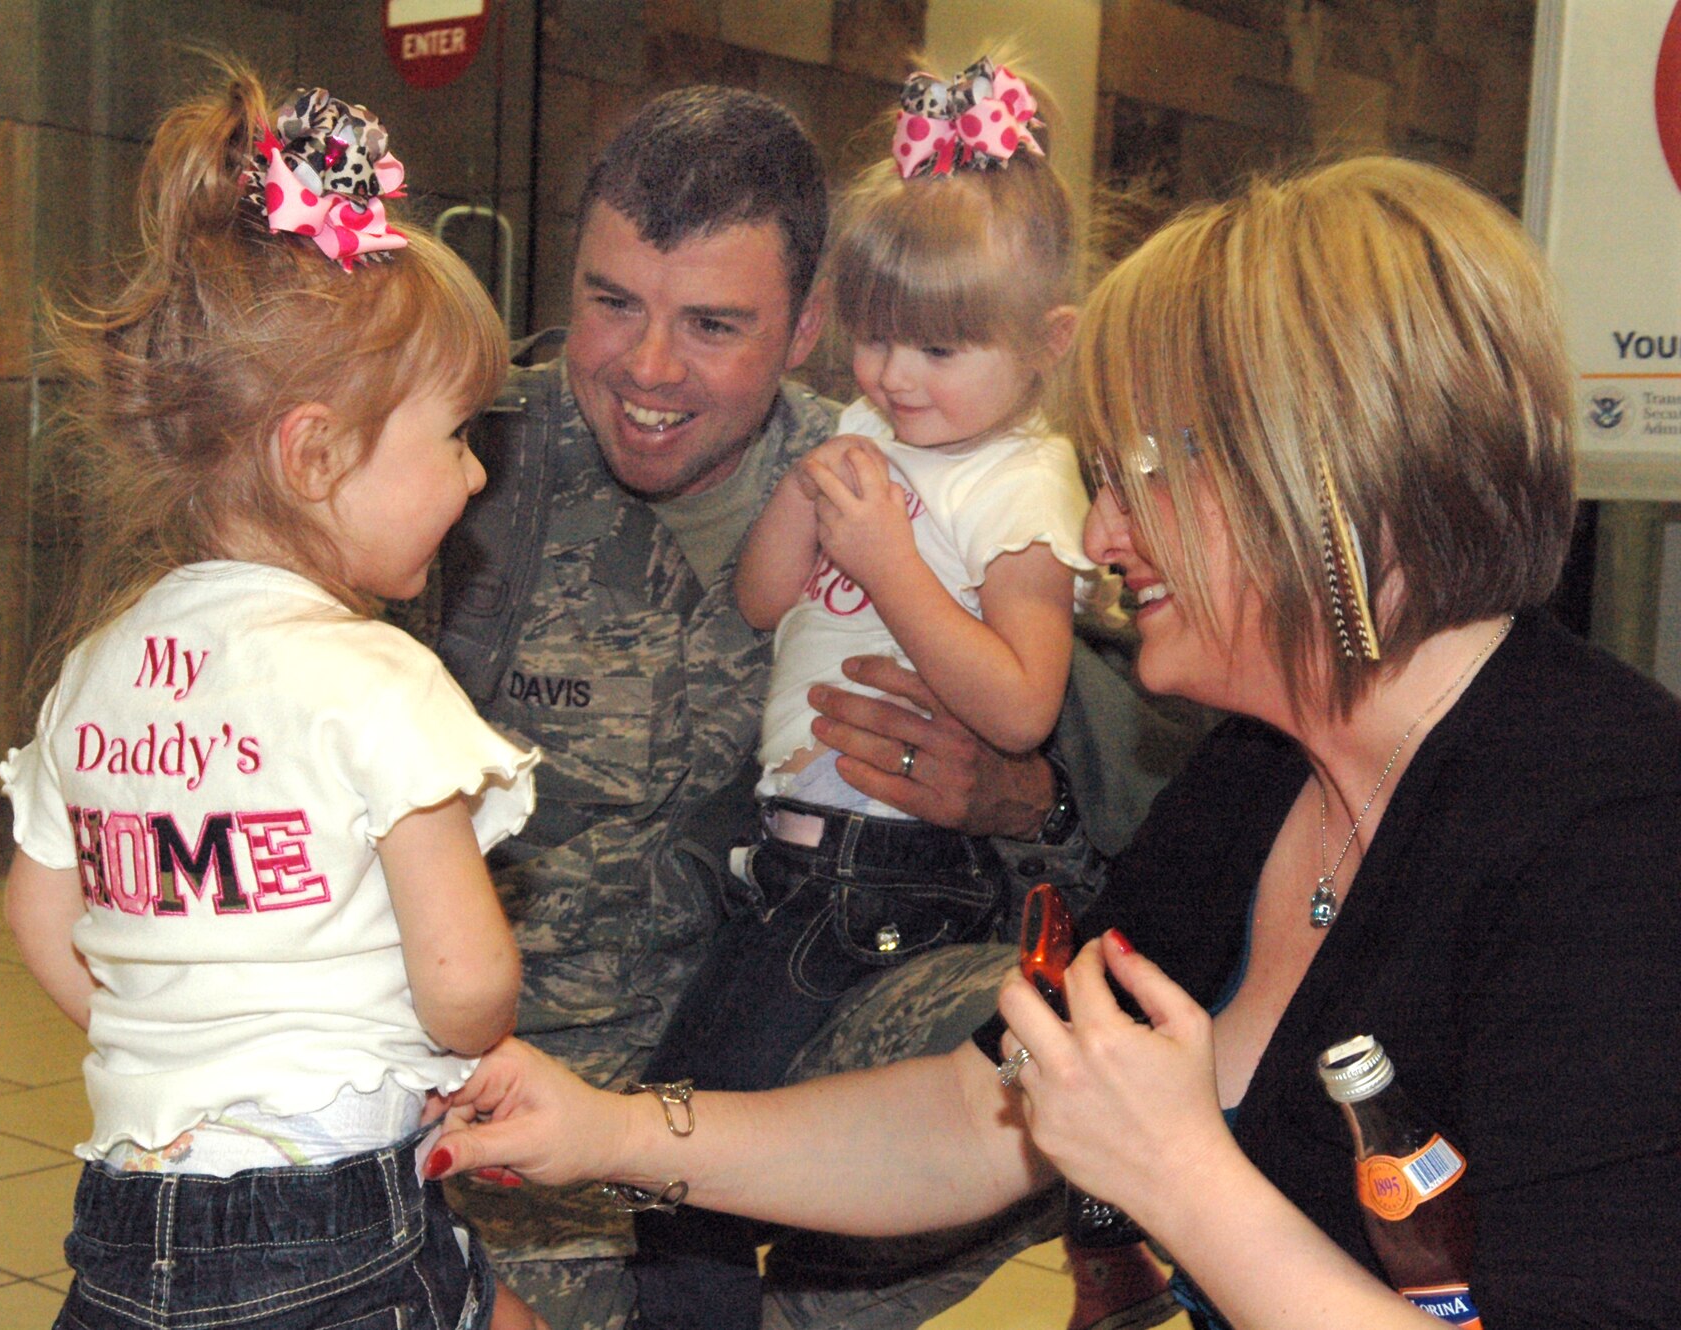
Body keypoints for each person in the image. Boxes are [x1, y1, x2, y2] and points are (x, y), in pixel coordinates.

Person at [426, 157, 1681, 1329]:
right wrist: (610, 1132)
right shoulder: (1255, 779)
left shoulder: (1611, 835)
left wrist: (1178, 1173)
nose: (1101, 528)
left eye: (1142, 478)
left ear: (1321, 483)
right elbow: (981, 1111)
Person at [427, 83, 1201, 1330]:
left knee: (1070, 1025)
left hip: (799, 1044)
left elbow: (1152, 794)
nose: (648, 367)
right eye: (609, 303)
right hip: (486, 1122)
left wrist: (1022, 797)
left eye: (713, 324)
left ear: (806, 327)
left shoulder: (954, 474)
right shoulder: (453, 472)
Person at [0, 60, 537, 1330]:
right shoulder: (380, 683)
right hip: (333, 1217)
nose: (471, 478)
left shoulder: (96, 667)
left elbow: (39, 916)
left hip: (128, 1225)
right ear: (314, 452)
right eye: (455, 434)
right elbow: (465, 984)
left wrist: (187, 1037)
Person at [628, 59, 1104, 1330]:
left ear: (1043, 343)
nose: (895, 375)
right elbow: (760, 599)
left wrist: (890, 563)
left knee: (688, 1147)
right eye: (876, 332)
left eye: (940, 347)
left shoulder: (1018, 486)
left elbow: (1016, 705)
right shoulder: (866, 427)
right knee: (705, 1140)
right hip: (792, 859)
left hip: (886, 870)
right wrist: (806, 493)